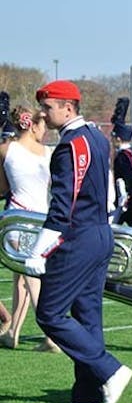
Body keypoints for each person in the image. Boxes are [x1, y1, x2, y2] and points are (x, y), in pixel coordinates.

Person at [27, 80, 132, 403]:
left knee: (50, 313)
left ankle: (110, 371)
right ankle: (86, 400)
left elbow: (64, 204)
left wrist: (39, 250)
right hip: (99, 231)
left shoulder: (71, 145)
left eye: (49, 107)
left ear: (68, 108)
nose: (43, 113)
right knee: (88, 319)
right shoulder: (97, 138)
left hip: (79, 237)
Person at [0, 105, 59, 352]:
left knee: (30, 278)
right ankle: (13, 331)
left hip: (17, 217)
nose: (45, 130)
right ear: (33, 125)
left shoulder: (5, 149)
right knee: (22, 277)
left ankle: (51, 335)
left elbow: (3, 189)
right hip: (42, 220)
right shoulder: (49, 153)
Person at [110, 98, 132, 231]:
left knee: (113, 229)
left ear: (118, 139)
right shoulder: (130, 153)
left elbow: (128, 179)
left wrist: (126, 198)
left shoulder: (124, 156)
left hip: (128, 200)